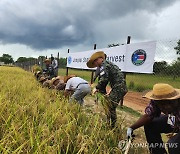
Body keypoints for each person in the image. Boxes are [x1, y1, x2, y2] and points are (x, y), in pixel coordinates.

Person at [127, 83, 180, 154]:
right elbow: (149, 116)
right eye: (160, 104)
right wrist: (131, 128)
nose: (162, 108)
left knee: (174, 145)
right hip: (175, 121)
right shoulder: (157, 101)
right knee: (151, 124)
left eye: (166, 104)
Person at [87, 51, 127, 128]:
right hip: (117, 87)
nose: (95, 64)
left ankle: (111, 126)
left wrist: (97, 88)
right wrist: (111, 88)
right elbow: (114, 77)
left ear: (100, 59)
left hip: (119, 87)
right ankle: (110, 124)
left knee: (109, 106)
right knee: (109, 105)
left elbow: (104, 79)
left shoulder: (104, 65)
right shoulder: (106, 64)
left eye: (95, 61)